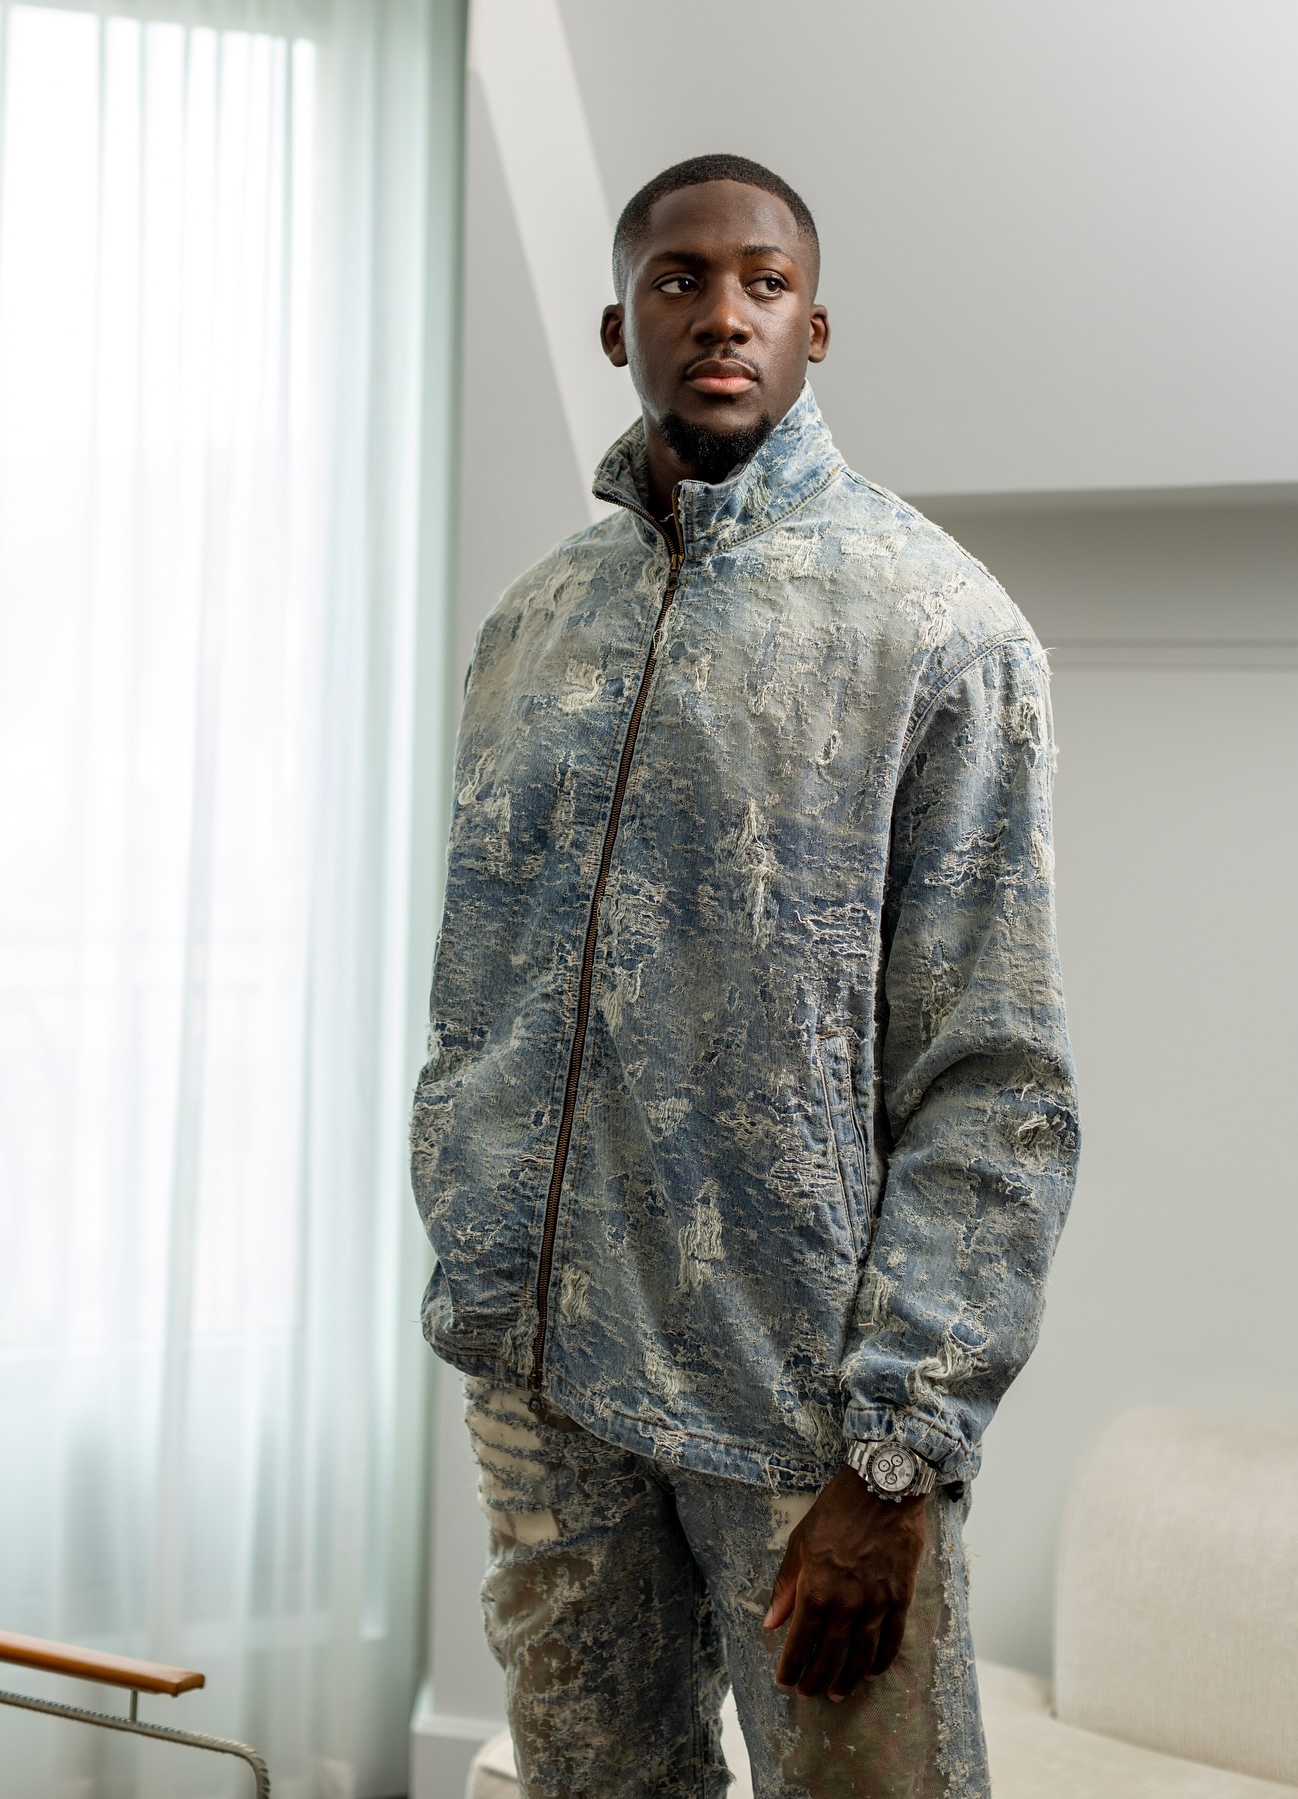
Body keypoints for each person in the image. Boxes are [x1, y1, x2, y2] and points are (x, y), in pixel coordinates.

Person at [411, 152, 1079, 1799]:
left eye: (762, 284)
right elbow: (479, 990)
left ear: (816, 326)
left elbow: (997, 1082)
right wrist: (473, 1234)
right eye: (680, 279)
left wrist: (895, 1456)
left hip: (803, 1418)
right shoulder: (532, 629)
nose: (723, 313)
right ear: (619, 321)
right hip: (548, 1385)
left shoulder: (939, 630)